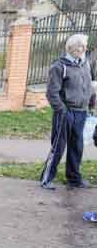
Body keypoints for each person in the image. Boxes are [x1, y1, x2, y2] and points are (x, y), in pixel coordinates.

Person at [42, 33, 96, 190]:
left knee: (77, 147)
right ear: (71, 48)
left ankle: (74, 178)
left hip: (81, 112)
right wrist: (62, 110)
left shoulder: (85, 63)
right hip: (65, 112)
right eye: (80, 45)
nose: (83, 48)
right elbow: (51, 93)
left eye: (85, 46)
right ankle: (46, 178)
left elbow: (90, 85)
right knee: (58, 147)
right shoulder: (59, 66)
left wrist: (91, 104)